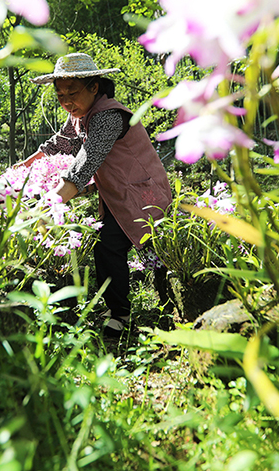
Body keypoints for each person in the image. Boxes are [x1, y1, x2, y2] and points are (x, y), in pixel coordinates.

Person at [19, 53, 172, 336]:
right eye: (60, 94)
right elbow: (59, 143)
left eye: (73, 93)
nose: (66, 101)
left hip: (142, 191)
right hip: (119, 193)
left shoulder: (109, 117)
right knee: (124, 246)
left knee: (123, 246)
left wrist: (47, 204)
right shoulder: (79, 115)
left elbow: (84, 164)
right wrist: (24, 166)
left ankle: (137, 311)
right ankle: (137, 307)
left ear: (94, 87)